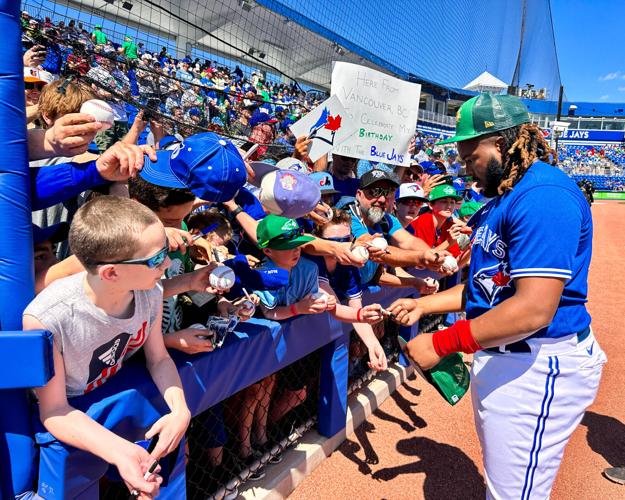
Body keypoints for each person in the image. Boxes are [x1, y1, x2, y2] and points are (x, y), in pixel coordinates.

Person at [390, 93, 606, 499]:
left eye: (471, 156)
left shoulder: (543, 196)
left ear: (501, 145)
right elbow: (487, 289)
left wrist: (440, 341)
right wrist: (425, 303)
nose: (466, 169)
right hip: (510, 356)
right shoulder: (507, 196)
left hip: (540, 362)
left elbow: (533, 309)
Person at [24, 196, 191, 498]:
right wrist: (120, 452)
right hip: (73, 413)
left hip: (114, 397)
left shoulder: (148, 290)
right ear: (111, 273)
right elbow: (55, 409)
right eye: (156, 258)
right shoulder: (48, 318)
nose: (167, 263)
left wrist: (180, 410)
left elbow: (158, 359)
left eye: (165, 249)